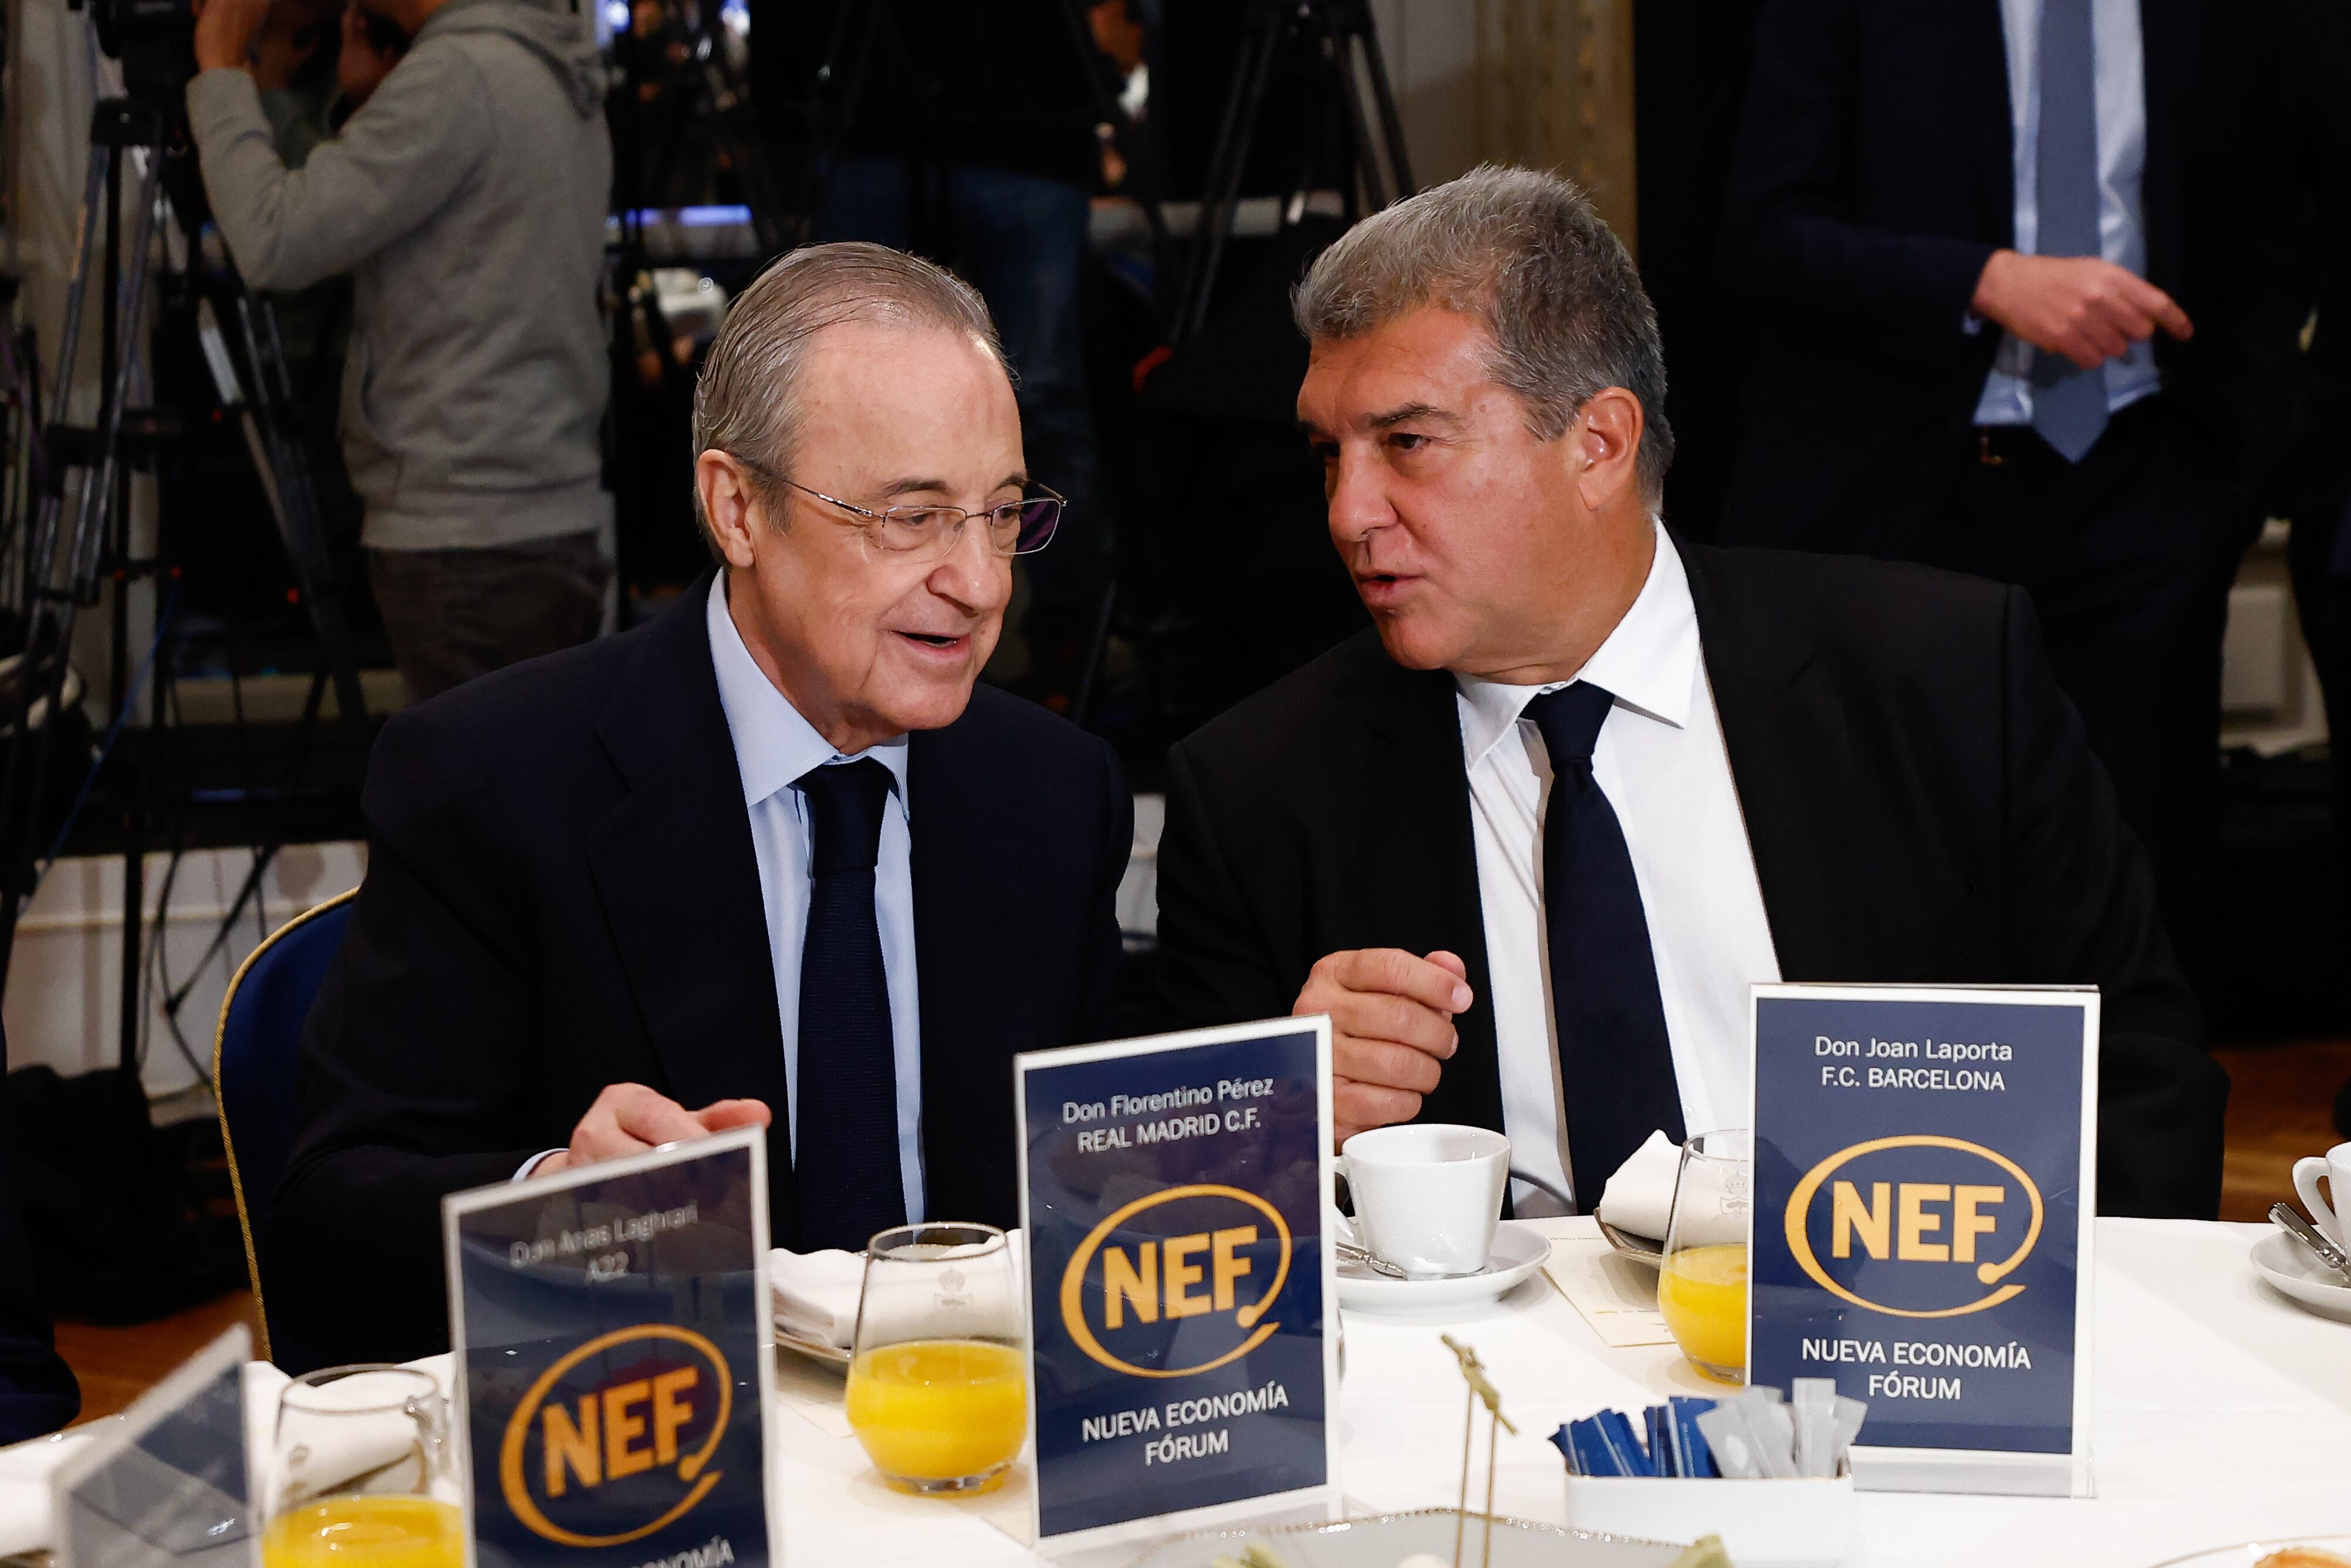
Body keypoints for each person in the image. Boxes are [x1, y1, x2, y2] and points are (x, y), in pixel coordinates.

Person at [1155, 167, 2225, 1223]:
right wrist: (1282, 1113)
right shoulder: (1259, 794)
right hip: (1487, 1379)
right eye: (1326, 455)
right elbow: (1191, 1241)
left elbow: (2140, 1082)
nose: (1349, 513)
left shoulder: (1935, 682)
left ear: (1598, 443)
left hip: (1902, 1347)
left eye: (1405, 444)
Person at [265, 244, 1130, 1368]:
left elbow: (1099, 1196)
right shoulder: (493, 781)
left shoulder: (1053, 793)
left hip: (968, 1457)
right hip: (655, 1462)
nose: (980, 581)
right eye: (913, 518)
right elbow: (331, 1222)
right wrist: (552, 1203)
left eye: (1003, 513)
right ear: (737, 508)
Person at [1711, 0, 2302, 938]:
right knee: (1884, 887)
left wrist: (2227, 483)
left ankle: (2119, 1092)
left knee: (2135, 888)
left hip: (2145, 490)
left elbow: (2283, 227)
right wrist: (1984, 281)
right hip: (1901, 499)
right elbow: (1762, 232)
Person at [187, 0, 614, 705]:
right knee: (533, 793)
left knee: (474, 806)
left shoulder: (456, 76)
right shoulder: (542, 63)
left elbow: (273, 238)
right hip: (541, 510)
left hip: (463, 529)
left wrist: (219, 65)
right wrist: (366, 99)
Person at [754, 0, 1122, 704]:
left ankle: (1070, 650)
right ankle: (843, 648)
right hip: (873, 109)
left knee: (1041, 401)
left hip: (1017, 109)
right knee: (836, 400)